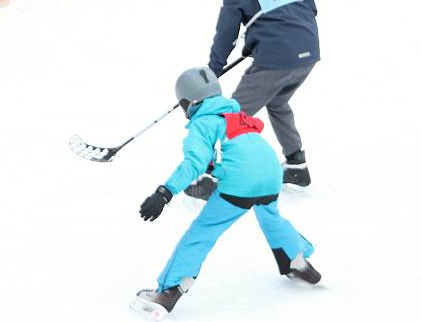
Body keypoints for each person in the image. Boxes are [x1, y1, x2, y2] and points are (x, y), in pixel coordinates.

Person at [131, 67, 320, 321]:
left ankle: (169, 290)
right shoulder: (236, 114)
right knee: (271, 217)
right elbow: (232, 150)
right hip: (271, 172)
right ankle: (296, 259)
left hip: (242, 181)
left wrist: (164, 193)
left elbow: (193, 163)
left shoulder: (202, 123)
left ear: (189, 102)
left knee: (201, 233)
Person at [188, 0, 319, 201]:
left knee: (231, 116)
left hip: (275, 59)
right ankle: (296, 164)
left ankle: (212, 177)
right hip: (308, 53)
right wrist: (260, 38)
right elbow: (309, 9)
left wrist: (212, 71)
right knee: (278, 101)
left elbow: (226, 36)